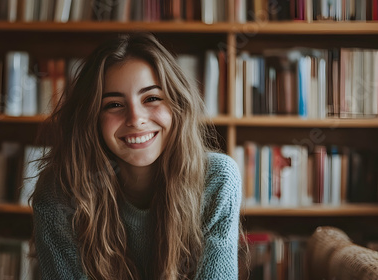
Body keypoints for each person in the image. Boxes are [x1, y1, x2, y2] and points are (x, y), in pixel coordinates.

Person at [31, 33, 243, 280]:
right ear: (91, 118)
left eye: (151, 98)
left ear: (177, 106)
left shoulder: (217, 179)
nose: (136, 119)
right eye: (114, 104)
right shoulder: (59, 193)